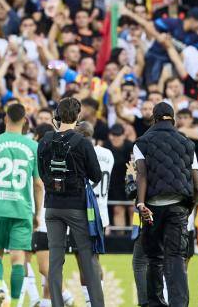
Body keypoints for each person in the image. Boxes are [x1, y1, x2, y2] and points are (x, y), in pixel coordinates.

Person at [37, 97, 104, 307]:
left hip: (52, 206)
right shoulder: (82, 142)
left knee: (55, 261)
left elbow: (41, 172)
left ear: (56, 116)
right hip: (76, 206)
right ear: (78, 116)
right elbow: (96, 176)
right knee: (88, 259)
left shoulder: (45, 140)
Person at [0, 103, 43, 307]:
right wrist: (37, 213)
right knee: (18, 258)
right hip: (22, 210)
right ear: (24, 121)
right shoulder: (33, 147)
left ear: (5, 119)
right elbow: (38, 184)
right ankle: (13, 302)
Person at [134, 102, 198, 307]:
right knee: (176, 258)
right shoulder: (187, 143)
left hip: (152, 207)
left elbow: (142, 175)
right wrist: (189, 207)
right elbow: (197, 184)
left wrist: (141, 204)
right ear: (173, 118)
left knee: (154, 257)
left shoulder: (142, 142)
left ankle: (155, 302)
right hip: (178, 207)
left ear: (154, 118)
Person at [75, 120, 114, 307]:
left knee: (83, 261)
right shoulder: (108, 154)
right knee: (93, 258)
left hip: (84, 212)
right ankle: (96, 302)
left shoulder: (78, 152)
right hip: (102, 213)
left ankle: (94, 303)